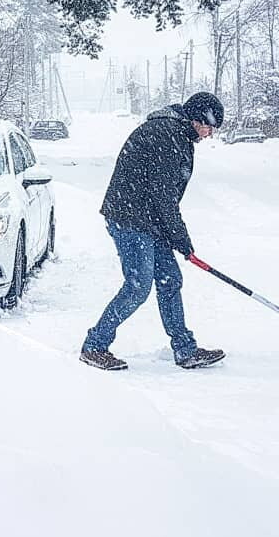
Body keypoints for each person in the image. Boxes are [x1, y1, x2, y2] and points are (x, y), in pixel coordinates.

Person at [80, 92, 226, 372]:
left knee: (170, 280)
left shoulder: (178, 134)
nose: (209, 135)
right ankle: (94, 346)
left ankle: (185, 349)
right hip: (129, 218)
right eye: (209, 127)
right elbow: (164, 196)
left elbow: (163, 195)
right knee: (138, 286)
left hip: (147, 217)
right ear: (197, 119)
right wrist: (182, 240)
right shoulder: (167, 135)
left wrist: (175, 237)